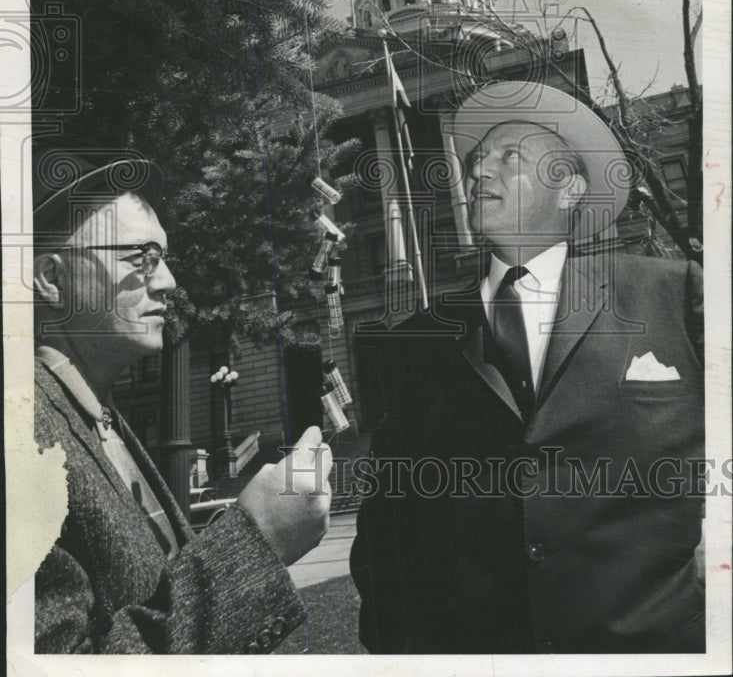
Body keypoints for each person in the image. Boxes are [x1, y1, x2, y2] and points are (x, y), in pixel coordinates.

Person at [350, 81, 704, 654]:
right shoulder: (415, 339)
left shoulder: (673, 294)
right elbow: (389, 530)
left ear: (568, 188)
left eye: (508, 157)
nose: (477, 174)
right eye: (475, 161)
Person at [33, 158, 332, 654]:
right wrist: (255, 542)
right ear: (51, 278)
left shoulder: (97, 417)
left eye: (164, 257)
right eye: (140, 258)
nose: (168, 281)